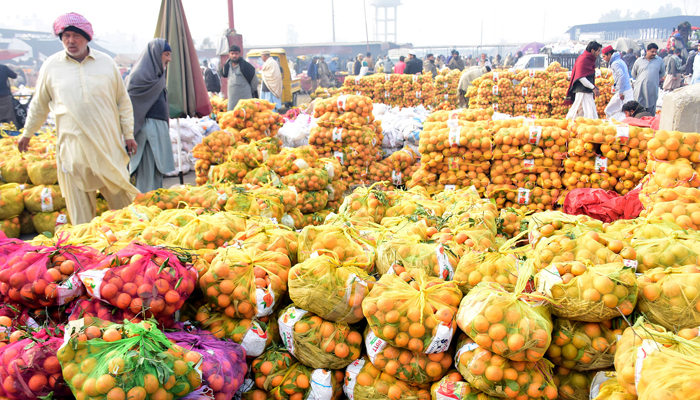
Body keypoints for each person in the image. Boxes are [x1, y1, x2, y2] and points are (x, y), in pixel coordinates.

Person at [19, 12, 139, 225]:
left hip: (107, 146)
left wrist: (128, 134)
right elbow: (39, 104)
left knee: (124, 209)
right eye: (66, 36)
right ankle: (85, 253)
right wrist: (27, 133)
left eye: (76, 35)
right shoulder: (51, 66)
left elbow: (123, 101)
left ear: (87, 38)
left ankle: (134, 249)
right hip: (72, 150)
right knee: (81, 217)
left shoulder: (106, 63)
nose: (71, 41)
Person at [125, 38, 176, 194]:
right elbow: (130, 107)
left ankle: (154, 208)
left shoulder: (157, 76)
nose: (169, 59)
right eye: (166, 54)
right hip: (146, 133)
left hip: (157, 132)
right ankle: (145, 211)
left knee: (155, 175)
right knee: (146, 178)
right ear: (155, 54)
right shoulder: (139, 77)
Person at [565, 41, 602, 119]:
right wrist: (593, 88)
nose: (599, 53)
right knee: (590, 113)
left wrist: (593, 87)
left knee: (579, 112)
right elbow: (581, 77)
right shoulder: (583, 59)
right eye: (598, 51)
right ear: (592, 50)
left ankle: (571, 125)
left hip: (586, 91)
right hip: (583, 91)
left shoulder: (589, 59)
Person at [219, 45, 259, 111]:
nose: (234, 56)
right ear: (229, 54)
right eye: (232, 53)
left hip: (245, 102)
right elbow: (223, 73)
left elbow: (255, 83)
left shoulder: (247, 67)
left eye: (236, 53)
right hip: (232, 102)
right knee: (231, 119)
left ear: (239, 54)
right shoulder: (227, 66)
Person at [631, 43, 665, 115]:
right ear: (647, 51)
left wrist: (652, 79)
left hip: (652, 88)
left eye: (655, 52)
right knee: (639, 108)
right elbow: (633, 73)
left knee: (651, 109)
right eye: (652, 51)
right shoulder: (639, 61)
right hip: (640, 88)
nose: (654, 53)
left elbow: (662, 73)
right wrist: (642, 80)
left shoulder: (659, 61)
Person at [601, 46, 633, 120]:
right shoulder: (619, 60)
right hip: (625, 89)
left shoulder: (615, 63)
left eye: (604, 56)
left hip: (623, 90)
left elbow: (621, 76)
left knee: (609, 110)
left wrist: (621, 91)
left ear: (609, 55)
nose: (604, 59)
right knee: (621, 110)